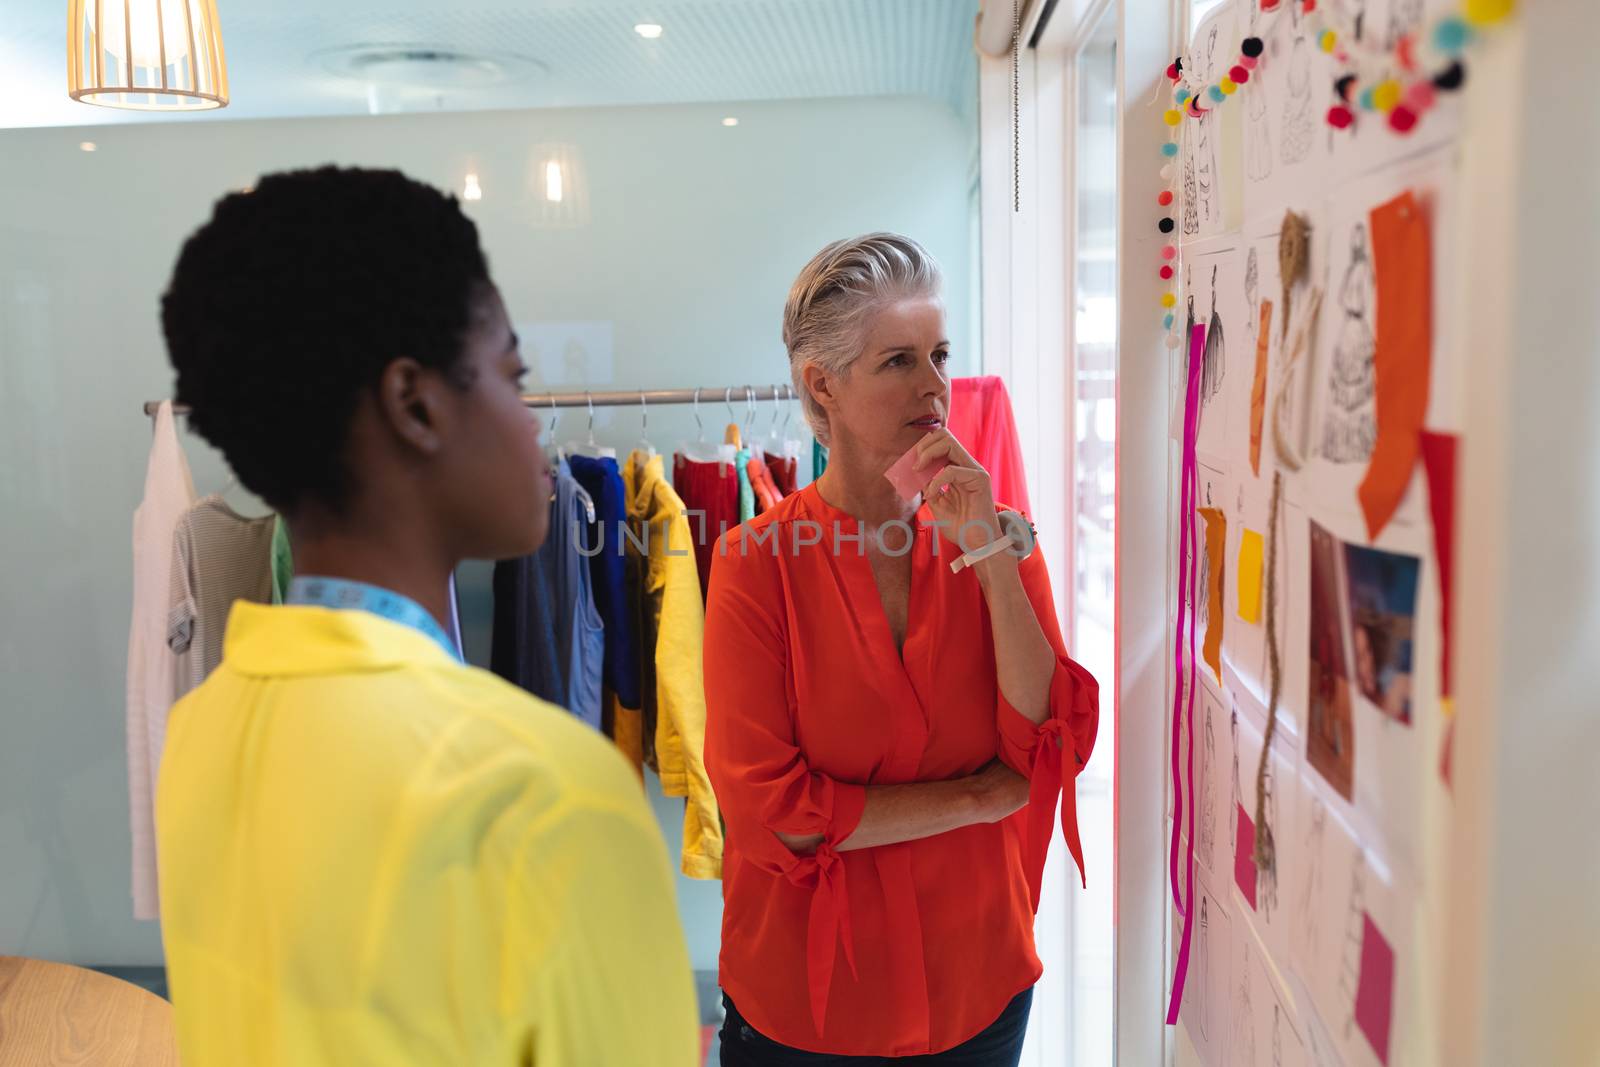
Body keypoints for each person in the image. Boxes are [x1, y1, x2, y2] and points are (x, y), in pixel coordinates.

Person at [154, 166, 699, 1066]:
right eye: (511, 379)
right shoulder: (543, 790)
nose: (535, 429)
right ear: (415, 403)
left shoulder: (204, 730)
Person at [703, 233, 1099, 1064]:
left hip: (979, 985)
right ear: (823, 385)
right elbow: (769, 815)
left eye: (940, 354)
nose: (934, 386)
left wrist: (992, 553)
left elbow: (1046, 743)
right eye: (897, 361)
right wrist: (970, 800)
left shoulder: (997, 534)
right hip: (808, 1011)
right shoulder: (753, 564)